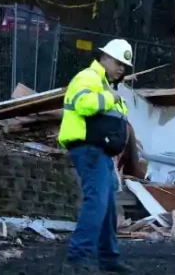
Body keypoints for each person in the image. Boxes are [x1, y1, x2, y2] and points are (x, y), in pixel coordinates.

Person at [59, 39, 135, 274]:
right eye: (118, 62)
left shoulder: (103, 84)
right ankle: (76, 260)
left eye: (125, 65)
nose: (122, 68)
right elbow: (83, 105)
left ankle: (108, 259)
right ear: (103, 58)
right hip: (89, 149)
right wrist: (110, 97)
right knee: (97, 203)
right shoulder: (88, 78)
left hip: (101, 152)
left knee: (108, 207)